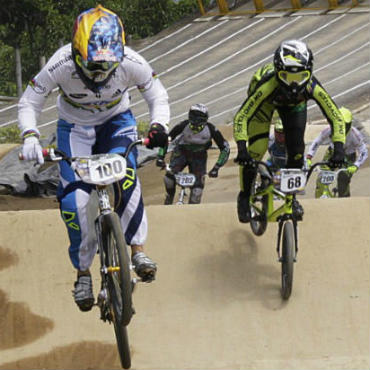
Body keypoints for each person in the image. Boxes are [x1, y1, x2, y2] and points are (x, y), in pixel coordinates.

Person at [18, 5, 170, 312]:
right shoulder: (60, 62)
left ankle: (138, 250)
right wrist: (30, 135)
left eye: (106, 67)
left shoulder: (131, 61)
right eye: (92, 66)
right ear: (76, 52)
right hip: (74, 128)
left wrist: (159, 127)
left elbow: (158, 96)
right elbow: (30, 100)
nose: (100, 74)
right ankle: (83, 273)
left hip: (117, 123)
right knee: (74, 203)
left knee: (126, 176)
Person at [233, 39, 346, 223]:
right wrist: (241, 148)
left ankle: (290, 199)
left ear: (309, 73)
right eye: (287, 77)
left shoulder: (311, 86)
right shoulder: (267, 85)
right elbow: (241, 117)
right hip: (266, 104)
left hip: (293, 107)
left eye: (300, 77)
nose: (294, 85)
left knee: (296, 153)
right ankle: (244, 196)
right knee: (257, 149)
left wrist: (339, 147)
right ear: (278, 73)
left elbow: (336, 117)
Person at [157, 104, 230, 205]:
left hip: (199, 156)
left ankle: (193, 211)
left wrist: (216, 167)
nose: (195, 122)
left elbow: (225, 148)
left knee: (197, 192)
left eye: (199, 119)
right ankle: (169, 197)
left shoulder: (211, 129)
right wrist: (160, 157)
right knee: (169, 178)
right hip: (181, 152)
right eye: (193, 118)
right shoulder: (183, 125)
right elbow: (166, 140)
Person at [306, 107, 368, 198]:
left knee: (343, 178)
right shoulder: (329, 129)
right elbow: (317, 141)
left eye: (344, 125)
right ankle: (319, 200)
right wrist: (309, 157)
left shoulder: (355, 134)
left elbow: (363, 151)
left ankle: (344, 201)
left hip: (349, 156)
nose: (342, 128)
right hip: (332, 153)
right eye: (339, 124)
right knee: (322, 177)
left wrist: (356, 165)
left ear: (349, 124)